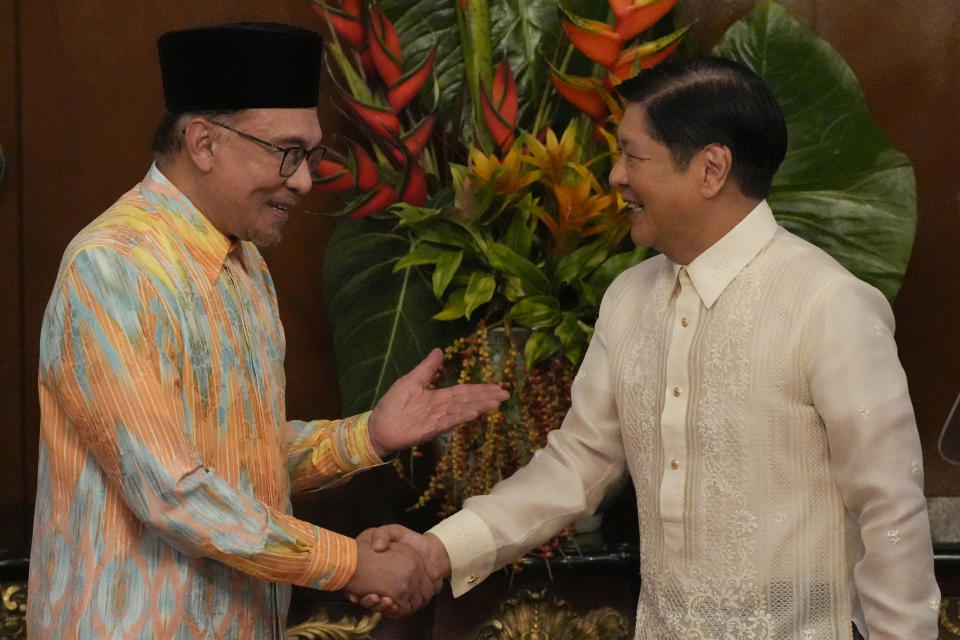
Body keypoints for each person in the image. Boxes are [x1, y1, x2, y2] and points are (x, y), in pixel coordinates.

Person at [363, 57, 942, 638]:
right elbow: (578, 464)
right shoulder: (629, 298)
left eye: (632, 157)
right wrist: (438, 551)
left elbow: (889, 508)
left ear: (711, 169)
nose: (615, 176)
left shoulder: (828, 303)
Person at [26, 22, 508, 639]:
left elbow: (235, 457)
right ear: (204, 142)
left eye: (309, 155)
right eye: (287, 153)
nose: (304, 179)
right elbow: (173, 491)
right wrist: (351, 562)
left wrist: (369, 436)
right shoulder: (114, 266)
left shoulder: (246, 262)